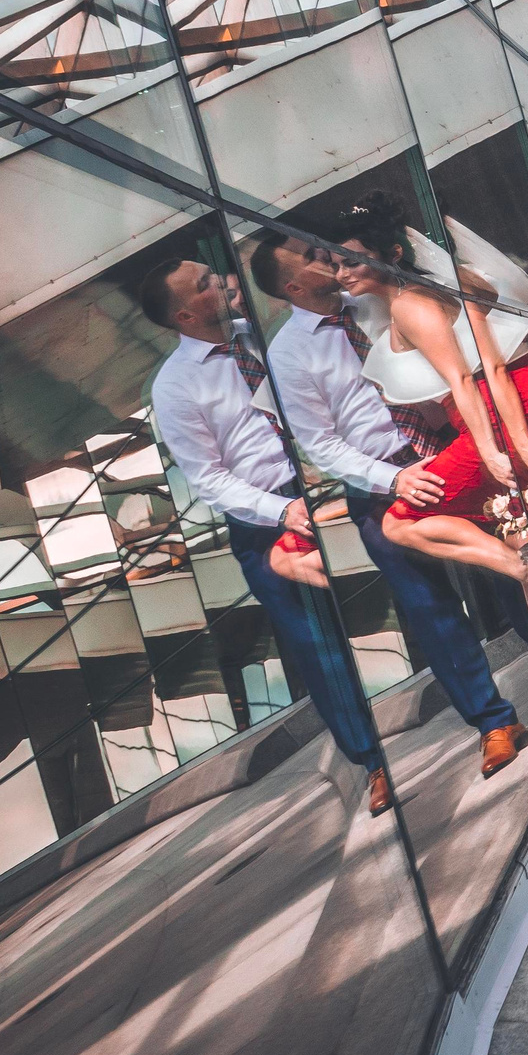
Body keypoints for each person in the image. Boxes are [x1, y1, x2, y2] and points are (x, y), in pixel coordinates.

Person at [252, 229, 528, 769]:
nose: (332, 259)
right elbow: (318, 444)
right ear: (291, 286)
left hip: (448, 451)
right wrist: (393, 480)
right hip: (382, 483)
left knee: (510, 566)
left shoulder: (377, 300)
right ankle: (494, 723)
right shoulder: (288, 355)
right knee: (430, 609)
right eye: (316, 257)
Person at [334, 194, 528, 706]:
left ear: (393, 254)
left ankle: (524, 567)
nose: (341, 273)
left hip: (502, 410)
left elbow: (465, 382)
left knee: (401, 522)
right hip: (525, 397)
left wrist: (498, 451)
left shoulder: (408, 302)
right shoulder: (430, 290)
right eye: (335, 262)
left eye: (351, 260)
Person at [139, 254, 394, 815]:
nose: (223, 284)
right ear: (184, 314)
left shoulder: (267, 337)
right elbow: (206, 478)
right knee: (321, 648)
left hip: (332, 488)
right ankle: (372, 763)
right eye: (206, 284)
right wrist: (279, 514)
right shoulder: (176, 386)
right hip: (268, 521)